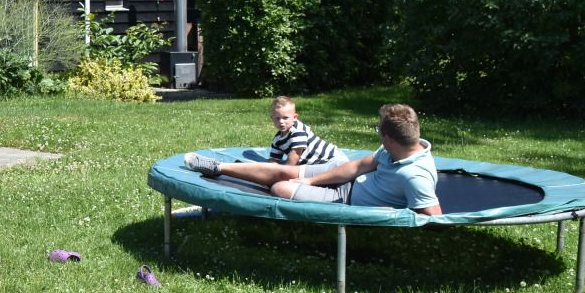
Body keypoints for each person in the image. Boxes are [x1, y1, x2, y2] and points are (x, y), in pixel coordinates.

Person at [184, 103, 442, 215]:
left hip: (346, 198)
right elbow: (359, 165)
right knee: (290, 174)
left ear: (389, 138)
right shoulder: (391, 149)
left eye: (378, 130)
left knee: (280, 186)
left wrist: (391, 214)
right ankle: (218, 168)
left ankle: (229, 171)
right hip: (347, 177)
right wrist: (312, 181)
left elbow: (434, 217)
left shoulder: (415, 175)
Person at [267, 95, 346, 173]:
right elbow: (274, 160)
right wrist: (270, 170)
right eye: (277, 118)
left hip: (330, 159)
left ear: (294, 117)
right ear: (272, 118)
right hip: (317, 164)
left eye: (285, 118)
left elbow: (295, 154)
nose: (281, 122)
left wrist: (283, 173)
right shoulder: (277, 139)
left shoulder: (298, 130)